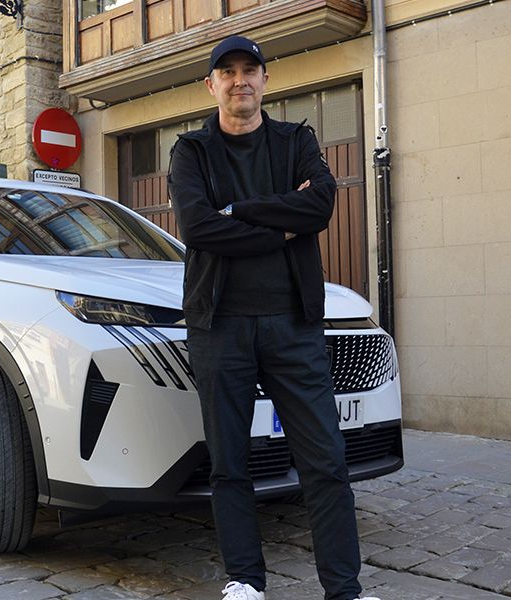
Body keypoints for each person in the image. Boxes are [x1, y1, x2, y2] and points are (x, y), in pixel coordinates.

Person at [168, 36, 378, 600]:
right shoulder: (192, 152)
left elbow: (321, 205)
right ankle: (245, 582)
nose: (240, 80)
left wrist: (239, 211)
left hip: (293, 325)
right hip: (220, 326)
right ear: (211, 85)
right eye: (227, 72)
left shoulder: (295, 141)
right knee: (230, 463)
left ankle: (345, 591)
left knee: (325, 460)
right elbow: (199, 228)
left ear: (266, 79)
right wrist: (284, 226)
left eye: (250, 70)